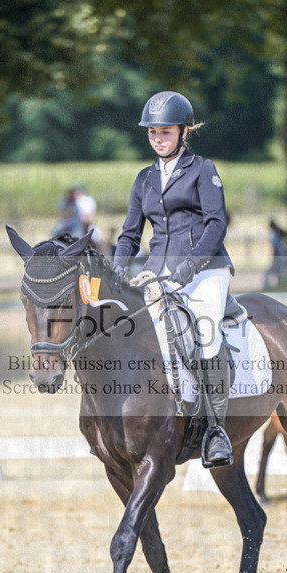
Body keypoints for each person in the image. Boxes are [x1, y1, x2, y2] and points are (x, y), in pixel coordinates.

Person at [113, 90, 234, 467]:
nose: (157, 139)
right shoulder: (144, 178)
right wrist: (116, 271)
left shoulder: (203, 169)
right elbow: (130, 234)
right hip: (158, 271)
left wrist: (191, 267)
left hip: (206, 270)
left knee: (206, 334)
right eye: (152, 133)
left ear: (184, 131)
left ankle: (215, 430)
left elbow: (217, 224)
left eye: (164, 132)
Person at [263, 219, 287, 288]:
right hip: (282, 255)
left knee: (272, 271)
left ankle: (267, 285)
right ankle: (281, 284)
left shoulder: (274, 236)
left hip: (278, 256)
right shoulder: (278, 235)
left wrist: (274, 257)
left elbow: (275, 248)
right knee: (279, 271)